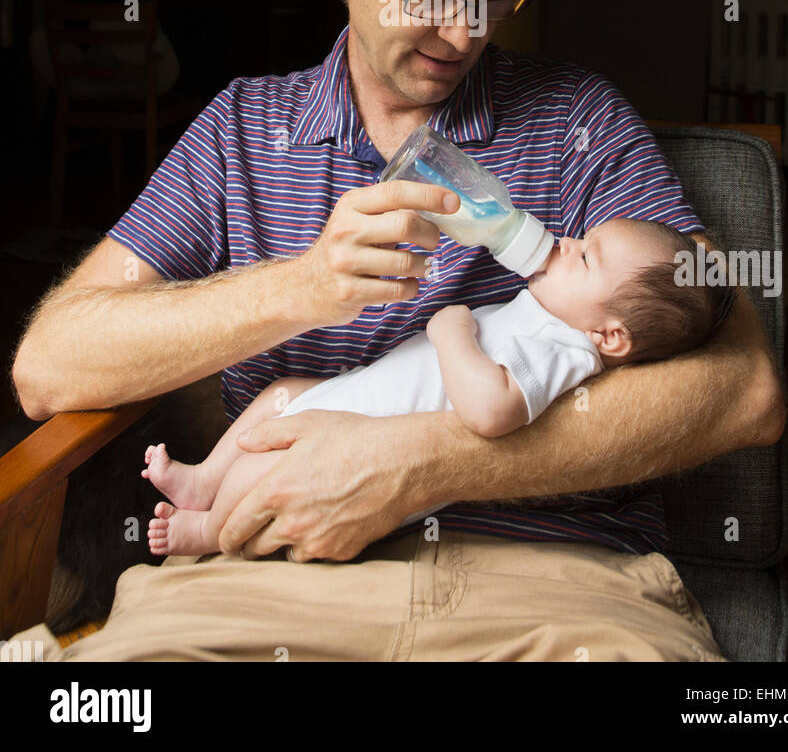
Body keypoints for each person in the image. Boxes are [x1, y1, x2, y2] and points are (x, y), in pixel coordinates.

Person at [12, 0, 785, 663]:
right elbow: (50, 366)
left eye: (493, 3)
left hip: (557, 585)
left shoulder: (579, 121)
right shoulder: (238, 132)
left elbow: (744, 387)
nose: (464, 36)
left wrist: (419, 464)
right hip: (265, 581)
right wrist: (299, 287)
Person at [143, 217, 735, 559]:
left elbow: (490, 410)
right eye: (585, 239)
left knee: (266, 473)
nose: (569, 243)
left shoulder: (566, 353)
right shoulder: (552, 317)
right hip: (352, 395)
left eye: (587, 260)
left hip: (360, 439)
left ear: (611, 337)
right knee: (280, 390)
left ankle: (208, 530)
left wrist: (453, 333)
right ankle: (201, 478)